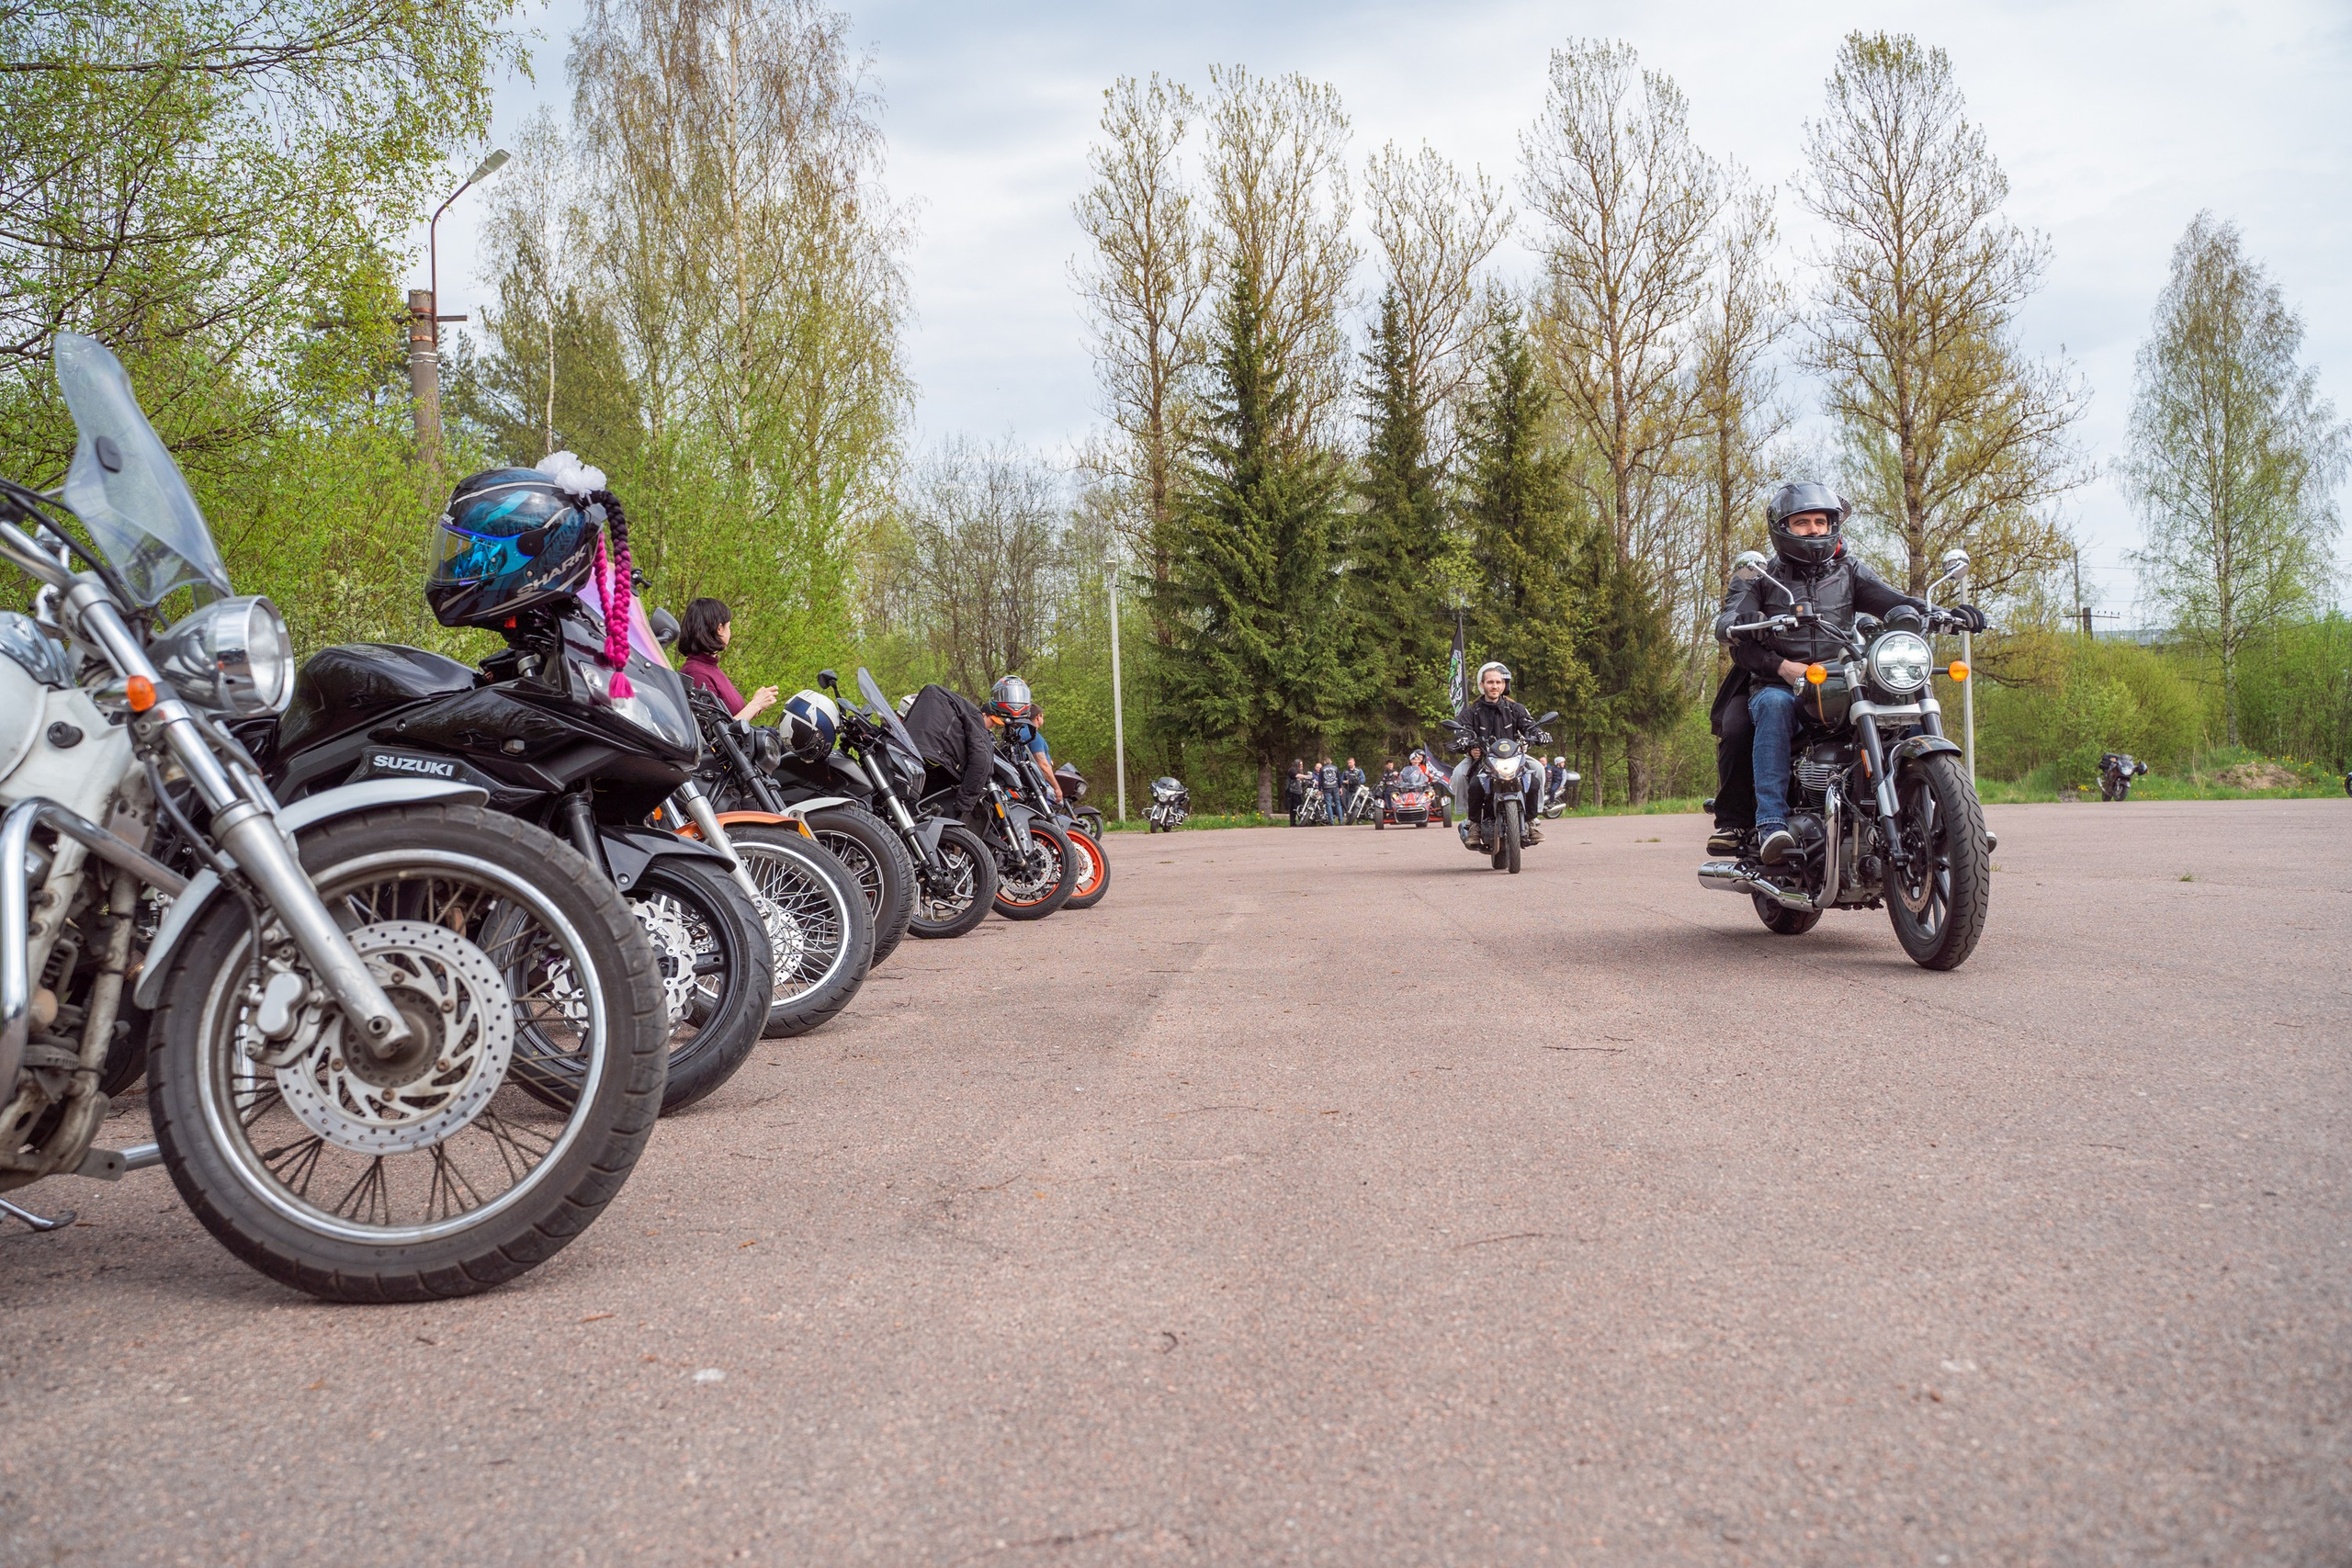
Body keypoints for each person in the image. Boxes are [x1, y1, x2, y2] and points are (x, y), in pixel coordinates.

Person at [1711, 481, 1984, 864]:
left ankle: (1953, 820)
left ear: (1832, 524)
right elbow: (1728, 623)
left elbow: (1892, 600)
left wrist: (1942, 612)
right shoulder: (1760, 577)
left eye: (1820, 521)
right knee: (1772, 706)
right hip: (1781, 683)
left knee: (1903, 706)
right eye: (1802, 522)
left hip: (1843, 679)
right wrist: (1749, 625)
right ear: (1782, 528)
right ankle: (1771, 824)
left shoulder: (1849, 570)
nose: (1813, 530)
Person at [1447, 661, 1546, 844]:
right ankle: (1473, 823)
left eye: (1498, 682)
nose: (1494, 686)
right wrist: (1466, 745)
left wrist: (1539, 734)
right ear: (1482, 685)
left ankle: (1531, 821)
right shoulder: (1472, 711)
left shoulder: (1516, 708)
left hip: (1513, 757)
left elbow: (1529, 725)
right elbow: (1462, 731)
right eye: (1490, 682)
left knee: (1537, 771)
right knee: (1464, 777)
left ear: (1504, 685)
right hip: (1483, 759)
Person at [898, 682, 996, 829]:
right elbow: (981, 760)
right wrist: (963, 805)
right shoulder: (971, 721)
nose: (992, 726)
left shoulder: (963, 722)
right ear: (984, 715)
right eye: (992, 721)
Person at [675, 598, 778, 722]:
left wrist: (757, 706)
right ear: (719, 629)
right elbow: (715, 735)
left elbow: (730, 721)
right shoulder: (696, 674)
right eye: (729, 626)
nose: (731, 632)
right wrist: (755, 705)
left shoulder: (710, 668)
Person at [983, 675, 1062, 801]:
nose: (993, 724)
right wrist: (1057, 787)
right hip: (1033, 785)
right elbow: (1043, 764)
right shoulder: (1033, 735)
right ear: (1039, 716)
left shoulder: (1019, 732)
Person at [1315, 758, 1342, 825]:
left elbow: (1320, 780)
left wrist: (1319, 789)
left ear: (1325, 762)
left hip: (1326, 788)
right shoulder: (1335, 768)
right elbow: (1339, 778)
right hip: (1335, 787)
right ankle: (1341, 821)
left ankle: (1331, 822)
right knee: (1338, 803)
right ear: (1331, 761)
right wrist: (1340, 787)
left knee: (1328, 804)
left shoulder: (1322, 769)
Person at [1339, 757, 1366, 822]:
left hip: (1357, 790)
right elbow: (1340, 780)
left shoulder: (1359, 770)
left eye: (1350, 763)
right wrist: (1345, 782)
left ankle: (1359, 819)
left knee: (1358, 804)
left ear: (1354, 762)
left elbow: (1363, 779)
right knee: (1348, 805)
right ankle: (1349, 819)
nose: (1349, 764)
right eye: (1348, 763)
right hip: (1348, 790)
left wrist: (1358, 781)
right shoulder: (1345, 771)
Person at [1284, 759, 1311, 826]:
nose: (1301, 766)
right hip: (1292, 792)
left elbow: (1303, 780)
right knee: (1294, 808)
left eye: (1302, 764)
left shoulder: (1300, 771)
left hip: (1298, 792)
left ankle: (1302, 822)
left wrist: (1313, 782)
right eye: (1300, 764)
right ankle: (1293, 823)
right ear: (1297, 764)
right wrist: (1307, 776)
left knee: (1300, 807)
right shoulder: (1292, 770)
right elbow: (1297, 776)